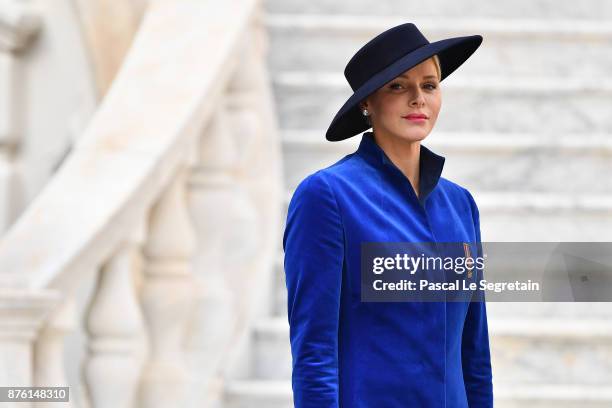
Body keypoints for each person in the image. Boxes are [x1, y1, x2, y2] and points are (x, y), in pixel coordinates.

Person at [283, 22, 493, 407]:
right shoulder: (326, 196)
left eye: (429, 85)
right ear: (367, 103)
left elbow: (474, 352)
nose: (418, 99)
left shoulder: (461, 205)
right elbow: (314, 351)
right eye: (398, 86)